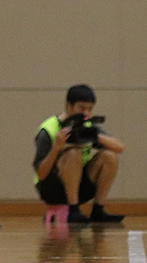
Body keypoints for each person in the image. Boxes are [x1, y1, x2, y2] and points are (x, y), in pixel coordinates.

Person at [33, 84, 124, 223]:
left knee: (109, 156)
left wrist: (95, 136)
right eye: (81, 108)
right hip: (51, 188)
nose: (86, 113)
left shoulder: (87, 125)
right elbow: (41, 173)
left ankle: (98, 210)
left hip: (81, 186)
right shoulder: (49, 129)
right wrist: (57, 147)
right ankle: (73, 210)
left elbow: (120, 147)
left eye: (90, 109)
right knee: (73, 153)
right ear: (69, 106)